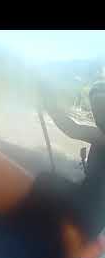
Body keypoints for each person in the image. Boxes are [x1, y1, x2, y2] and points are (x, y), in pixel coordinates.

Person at [43, 81, 105, 238]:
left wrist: (49, 105)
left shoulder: (101, 136)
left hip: (95, 202)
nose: (97, 112)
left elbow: (72, 129)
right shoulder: (100, 133)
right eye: (96, 108)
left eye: (100, 108)